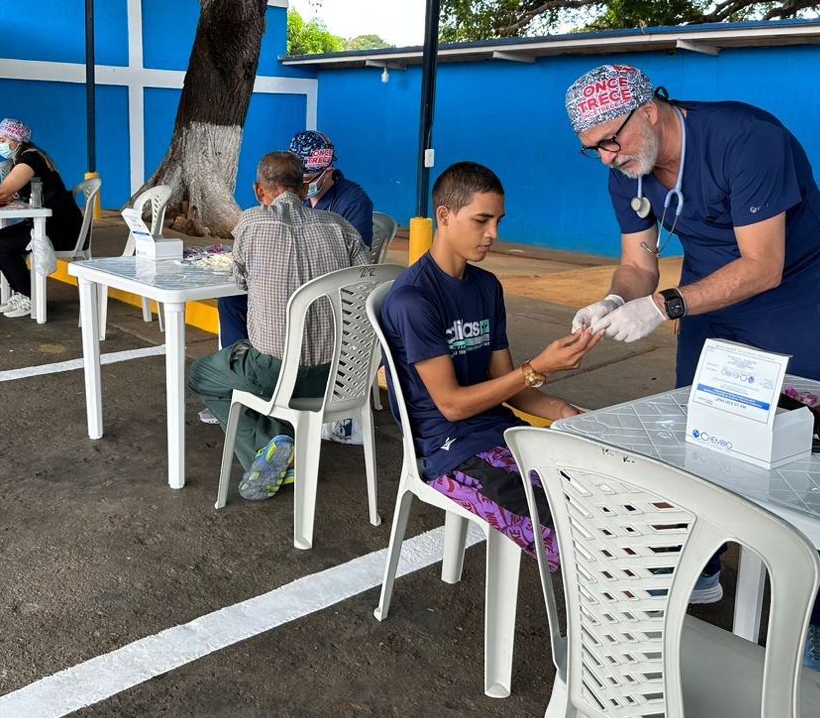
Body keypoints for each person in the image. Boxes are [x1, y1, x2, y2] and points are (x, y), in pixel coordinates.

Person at [564, 63, 820, 695]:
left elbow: (763, 265)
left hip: (785, 298)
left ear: (649, 110)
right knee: (697, 438)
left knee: (802, 455)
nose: (609, 159)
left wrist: (663, 307)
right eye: (595, 152)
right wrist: (615, 302)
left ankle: (818, 618)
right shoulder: (628, 170)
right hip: (703, 297)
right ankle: (704, 566)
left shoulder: (745, 139)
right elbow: (638, 264)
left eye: (613, 140)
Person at [379, 162, 599, 568]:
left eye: (497, 220)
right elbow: (452, 406)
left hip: (500, 431)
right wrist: (539, 366)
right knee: (575, 532)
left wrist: (568, 414)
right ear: (444, 216)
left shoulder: (486, 286)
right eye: (482, 220)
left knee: (607, 492)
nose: (493, 234)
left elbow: (506, 381)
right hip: (449, 452)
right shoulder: (414, 299)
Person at [188, 151, 372, 501]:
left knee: (203, 374)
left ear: (259, 191)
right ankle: (278, 439)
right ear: (304, 190)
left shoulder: (251, 223)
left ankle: (264, 447)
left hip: (276, 373)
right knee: (257, 361)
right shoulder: (339, 226)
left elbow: (238, 282)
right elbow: (367, 281)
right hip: (340, 375)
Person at [208, 129, 373, 435]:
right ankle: (249, 383)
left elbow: (356, 271)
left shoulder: (350, 206)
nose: (306, 187)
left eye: (311, 180)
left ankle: (259, 400)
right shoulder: (311, 215)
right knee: (232, 301)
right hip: (295, 302)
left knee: (202, 373)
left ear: (329, 171)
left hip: (327, 303)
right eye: (304, 181)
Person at [0, 118, 82, 320]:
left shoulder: (29, 159)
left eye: (2, 140)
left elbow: (2, 192)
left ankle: (30, 296)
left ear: (15, 140)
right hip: (45, 223)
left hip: (60, 227)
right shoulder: (25, 157)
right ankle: (21, 292)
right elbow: (9, 194)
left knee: (3, 244)